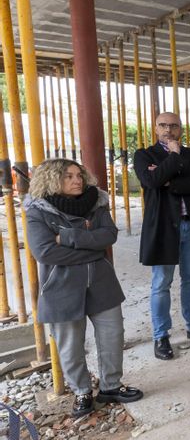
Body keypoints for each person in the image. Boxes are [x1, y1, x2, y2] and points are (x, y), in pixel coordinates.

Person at [26, 159, 143, 417]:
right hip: (61, 289)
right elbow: (45, 252)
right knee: (70, 346)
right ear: (52, 180)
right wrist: (92, 250)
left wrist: (68, 237)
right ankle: (82, 392)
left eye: (79, 175)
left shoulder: (96, 203)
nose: (77, 180)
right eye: (68, 176)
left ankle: (111, 387)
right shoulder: (38, 211)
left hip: (102, 284)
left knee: (113, 337)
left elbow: (108, 235)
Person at [134, 112, 190, 361]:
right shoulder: (144, 155)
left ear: (181, 130)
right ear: (155, 128)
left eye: (173, 126)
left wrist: (170, 182)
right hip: (164, 227)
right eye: (163, 125)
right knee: (161, 282)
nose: (168, 130)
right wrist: (174, 157)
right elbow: (151, 180)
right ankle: (161, 335)